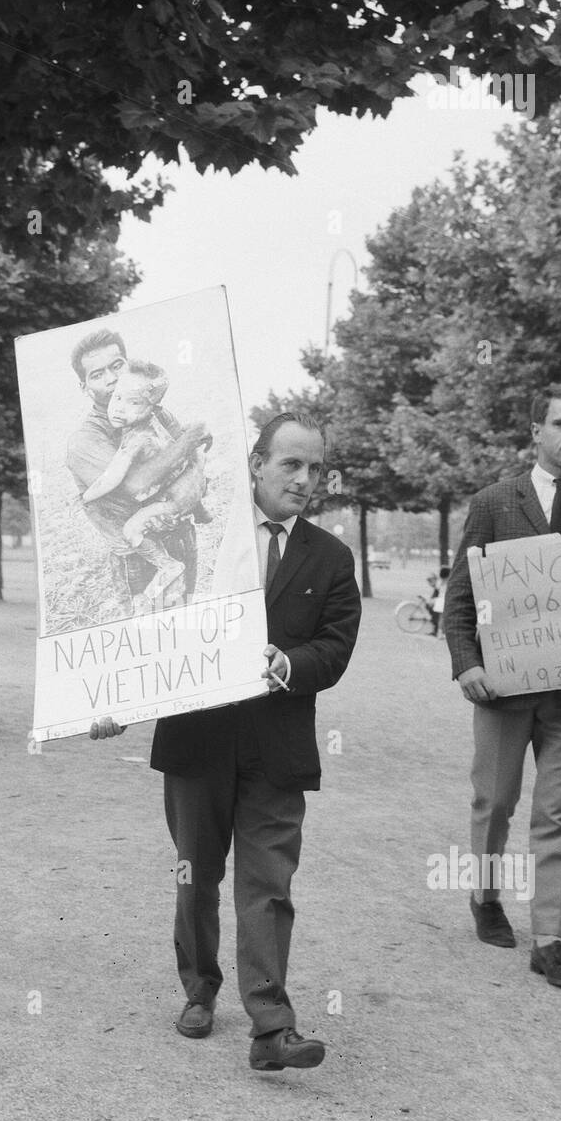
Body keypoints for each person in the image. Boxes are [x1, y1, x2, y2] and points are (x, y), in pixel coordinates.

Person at [91, 410, 361, 1071]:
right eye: (291, 464)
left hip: (277, 749)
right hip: (196, 744)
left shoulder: (329, 557)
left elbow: (334, 647)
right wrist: (116, 700)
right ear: (256, 464)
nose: (304, 479)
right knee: (195, 877)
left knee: (268, 884)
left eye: (315, 468)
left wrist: (289, 664)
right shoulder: (197, 536)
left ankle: (271, 1024)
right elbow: (146, 626)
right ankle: (199, 991)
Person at [443, 384, 561, 989]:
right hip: (503, 683)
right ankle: (486, 896)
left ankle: (550, 938)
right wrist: (466, 663)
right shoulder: (496, 502)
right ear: (535, 432)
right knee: (495, 800)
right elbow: (460, 599)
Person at [66, 329, 204, 614]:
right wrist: (193, 438)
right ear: (84, 387)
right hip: (139, 556)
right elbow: (136, 485)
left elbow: (192, 458)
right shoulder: (85, 439)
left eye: (117, 366)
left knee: (183, 633)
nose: (112, 379)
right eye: (97, 374)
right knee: (145, 637)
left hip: (181, 536)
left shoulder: (155, 412)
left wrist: (191, 457)